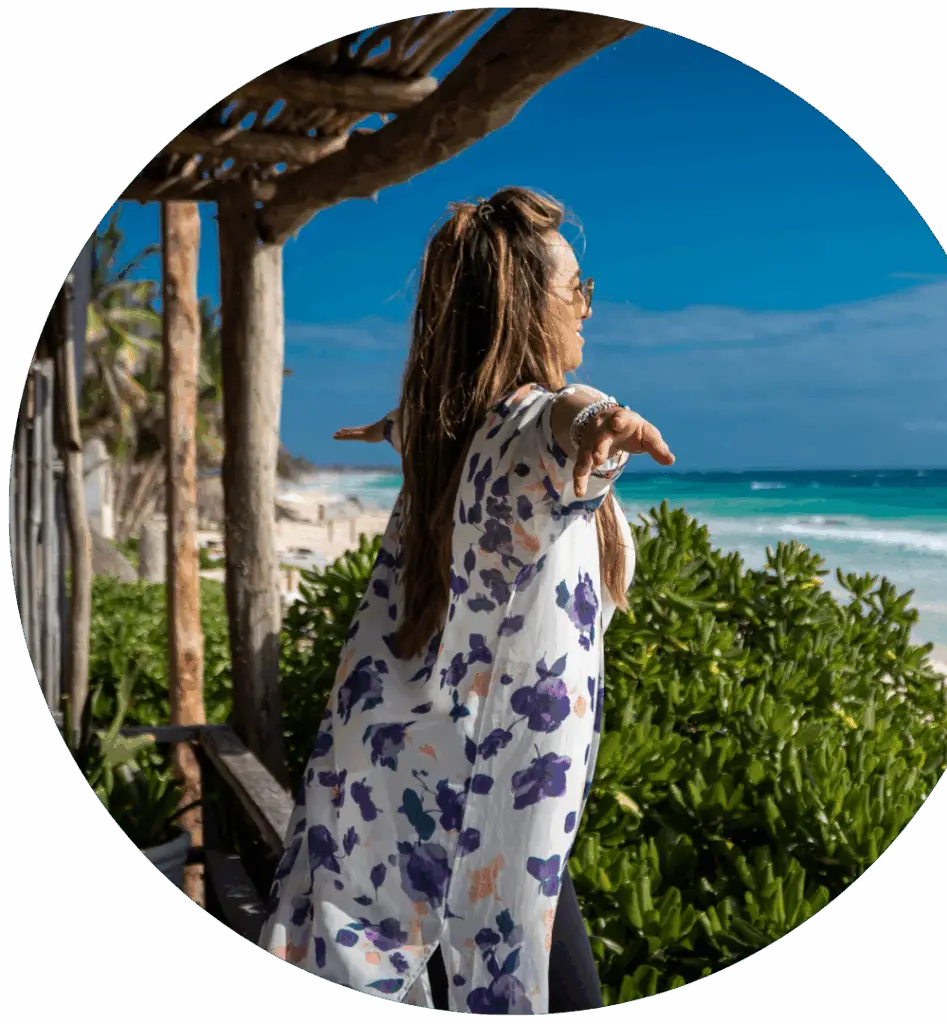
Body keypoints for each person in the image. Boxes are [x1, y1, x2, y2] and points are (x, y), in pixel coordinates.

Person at [260, 187, 674, 1013]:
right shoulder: (526, 425)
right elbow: (559, 418)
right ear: (526, 307)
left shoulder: (457, 425)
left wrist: (404, 419)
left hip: (423, 792)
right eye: (575, 291)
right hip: (469, 825)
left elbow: (458, 412)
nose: (589, 308)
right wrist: (603, 417)